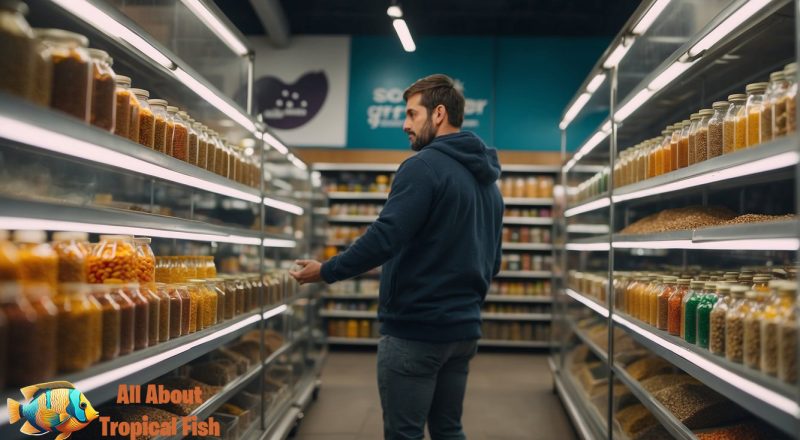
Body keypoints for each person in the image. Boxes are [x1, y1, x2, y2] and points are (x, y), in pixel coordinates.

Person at [290, 73, 503, 440]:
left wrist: (327, 271)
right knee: (448, 429)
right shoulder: (488, 183)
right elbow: (493, 261)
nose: (404, 125)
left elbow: (385, 238)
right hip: (463, 330)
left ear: (438, 114)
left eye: (411, 114)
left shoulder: (422, 167)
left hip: (416, 329)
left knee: (404, 434)